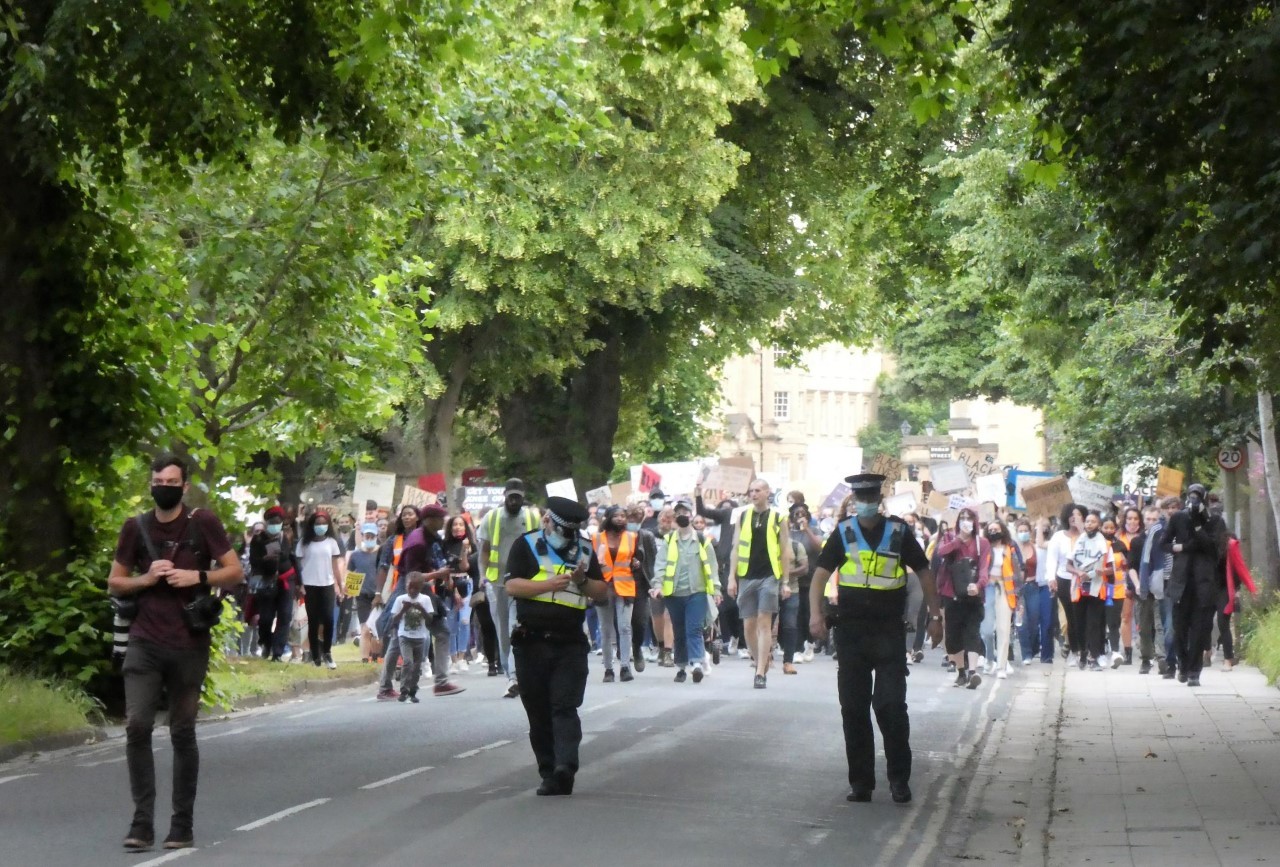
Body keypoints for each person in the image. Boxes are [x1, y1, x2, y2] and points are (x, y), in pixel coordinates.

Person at [108, 454, 244, 851]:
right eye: (157, 480)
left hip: (188, 643)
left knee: (182, 731)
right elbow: (115, 582)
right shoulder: (136, 527)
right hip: (144, 641)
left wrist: (197, 576)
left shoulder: (203, 523)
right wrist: (146, 578)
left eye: (171, 481)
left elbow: (234, 572)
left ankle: (181, 824)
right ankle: (141, 823)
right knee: (136, 727)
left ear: (184, 487)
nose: (163, 486)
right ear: (150, 483)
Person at [808, 473, 942, 805]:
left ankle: (899, 779)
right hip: (851, 632)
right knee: (853, 709)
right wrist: (815, 614)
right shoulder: (844, 533)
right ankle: (862, 783)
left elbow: (924, 573)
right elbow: (820, 576)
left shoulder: (899, 532)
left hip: (888, 632)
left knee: (891, 706)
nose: (865, 503)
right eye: (860, 498)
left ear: (879, 500)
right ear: (854, 501)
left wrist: (936, 617)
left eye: (870, 497)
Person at [504, 497, 609, 795]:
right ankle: (548, 772)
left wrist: (582, 581)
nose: (568, 537)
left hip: (570, 643)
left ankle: (565, 768)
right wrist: (549, 585)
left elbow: (601, 592)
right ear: (548, 521)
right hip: (531, 641)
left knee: (564, 706)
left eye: (573, 532)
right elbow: (512, 585)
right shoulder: (526, 545)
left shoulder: (585, 548)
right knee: (538, 712)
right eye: (563, 530)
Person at [477, 479, 541, 698]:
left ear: (523, 497)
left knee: (516, 625)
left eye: (518, 497)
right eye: (510, 496)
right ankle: (510, 675)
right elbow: (484, 550)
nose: (514, 501)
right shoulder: (492, 517)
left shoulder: (533, 516)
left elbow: (540, 546)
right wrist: (483, 576)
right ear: (504, 495)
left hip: (523, 580)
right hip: (496, 583)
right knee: (502, 630)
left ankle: (516, 676)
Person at [727, 479, 793, 689]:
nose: (753, 494)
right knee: (748, 626)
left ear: (767, 492)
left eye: (757, 490)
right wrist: (731, 577)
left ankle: (759, 672)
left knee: (764, 623)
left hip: (769, 576)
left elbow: (785, 550)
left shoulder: (778, 517)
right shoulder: (743, 516)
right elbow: (736, 547)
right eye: (751, 491)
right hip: (747, 575)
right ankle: (760, 662)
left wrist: (785, 580)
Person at [398, 504, 466, 696]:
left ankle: (439, 681)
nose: (442, 522)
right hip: (415, 592)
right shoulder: (418, 542)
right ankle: (440, 681)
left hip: (425, 591)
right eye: (439, 518)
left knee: (427, 633)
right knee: (405, 636)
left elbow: (438, 562)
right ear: (429, 519)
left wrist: (445, 577)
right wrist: (438, 573)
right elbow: (411, 576)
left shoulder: (432, 537)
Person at [1163, 483, 1226, 686]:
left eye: (1198, 496)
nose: (1194, 500)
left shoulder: (1214, 521)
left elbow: (1212, 549)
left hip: (1203, 583)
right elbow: (1162, 543)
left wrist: (1199, 526)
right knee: (1178, 628)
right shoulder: (1178, 518)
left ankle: (1194, 671)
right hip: (1181, 581)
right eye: (1191, 496)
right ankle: (1183, 663)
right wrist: (1178, 547)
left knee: (1200, 630)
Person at [653, 505, 720, 683]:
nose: (682, 517)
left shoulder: (702, 540)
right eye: (679, 514)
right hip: (673, 594)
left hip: (696, 592)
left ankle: (696, 664)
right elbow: (660, 565)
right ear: (675, 519)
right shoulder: (668, 541)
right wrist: (657, 585)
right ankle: (681, 666)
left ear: (691, 517)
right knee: (679, 631)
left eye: (686, 514)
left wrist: (717, 589)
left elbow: (712, 567)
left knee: (694, 628)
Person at [936, 507, 989, 688]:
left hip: (973, 595)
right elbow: (941, 552)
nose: (965, 521)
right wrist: (958, 540)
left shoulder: (982, 543)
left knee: (972, 632)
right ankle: (960, 671)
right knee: (953, 635)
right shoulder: (950, 538)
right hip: (952, 594)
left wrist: (979, 585)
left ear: (975, 521)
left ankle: (973, 672)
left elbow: (984, 568)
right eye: (962, 518)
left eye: (969, 518)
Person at [373, 505, 420, 700]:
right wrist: (378, 593)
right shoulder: (393, 541)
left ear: (418, 517)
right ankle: (387, 686)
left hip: (422, 591)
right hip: (401, 589)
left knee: (409, 638)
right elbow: (384, 568)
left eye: (411, 514)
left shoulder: (424, 537)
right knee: (394, 636)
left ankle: (397, 684)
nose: (407, 517)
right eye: (404, 514)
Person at [593, 506, 640, 682]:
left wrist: (636, 563)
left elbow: (636, 557)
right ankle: (608, 669)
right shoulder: (596, 538)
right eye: (616, 516)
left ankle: (625, 666)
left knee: (625, 627)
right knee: (605, 629)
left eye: (623, 516)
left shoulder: (631, 537)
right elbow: (591, 561)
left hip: (625, 587)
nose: (620, 519)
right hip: (603, 587)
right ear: (608, 518)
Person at [248, 506, 298, 662]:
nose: (275, 525)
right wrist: (266, 558)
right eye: (272, 522)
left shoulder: (287, 538)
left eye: (278, 522)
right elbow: (253, 561)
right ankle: (266, 644)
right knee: (266, 618)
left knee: (285, 615)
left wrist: (300, 583)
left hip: (286, 581)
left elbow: (293, 559)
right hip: (266, 582)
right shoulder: (258, 540)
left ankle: (277, 651)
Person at [296, 510, 344, 669]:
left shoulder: (332, 542)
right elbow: (298, 566)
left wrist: (340, 585)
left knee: (329, 619)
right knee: (313, 620)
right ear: (312, 525)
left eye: (324, 523)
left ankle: (327, 652)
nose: (321, 526)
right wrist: (300, 584)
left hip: (327, 584)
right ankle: (315, 655)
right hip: (309, 585)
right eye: (318, 524)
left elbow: (335, 566)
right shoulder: (304, 542)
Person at [1066, 511, 1114, 671]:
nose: (1089, 524)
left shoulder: (1105, 545)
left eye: (1093, 522)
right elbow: (1068, 565)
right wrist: (1078, 572)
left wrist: (1100, 572)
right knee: (1079, 623)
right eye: (1087, 522)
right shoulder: (1078, 542)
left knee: (1094, 623)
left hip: (1096, 588)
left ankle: (1095, 656)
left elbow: (1111, 569)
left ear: (1098, 525)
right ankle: (1083, 653)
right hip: (1079, 587)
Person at [1042, 504, 1086, 663]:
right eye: (1071, 515)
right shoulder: (1059, 536)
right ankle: (1075, 652)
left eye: (1078, 515)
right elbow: (1052, 559)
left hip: (1084, 581)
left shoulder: (1088, 536)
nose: (1075, 518)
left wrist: (1083, 531)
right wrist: (1051, 578)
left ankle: (1086, 650)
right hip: (1064, 580)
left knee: (1083, 617)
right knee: (1071, 617)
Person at [389, 572, 434, 702]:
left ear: (421, 588)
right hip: (405, 636)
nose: (412, 591)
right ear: (406, 586)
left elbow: (430, 620)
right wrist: (403, 609)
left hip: (420, 638)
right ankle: (403, 690)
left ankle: (413, 691)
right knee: (407, 662)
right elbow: (394, 620)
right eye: (410, 587)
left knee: (416, 666)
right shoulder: (400, 599)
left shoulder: (425, 600)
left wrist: (422, 609)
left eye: (416, 588)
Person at [443, 514, 479, 673]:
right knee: (451, 623)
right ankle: (453, 659)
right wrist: (453, 589)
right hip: (448, 584)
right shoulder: (444, 545)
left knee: (464, 621)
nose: (457, 527)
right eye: (454, 525)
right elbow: (444, 567)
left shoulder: (471, 545)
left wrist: (465, 550)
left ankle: (462, 657)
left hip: (467, 584)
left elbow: (467, 568)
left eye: (461, 524)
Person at [1015, 517, 1052, 665]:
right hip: (1018, 590)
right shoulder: (1013, 548)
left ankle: (1033, 646)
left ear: (1030, 533)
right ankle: (1026, 654)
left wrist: (1040, 522)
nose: (1023, 533)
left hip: (1033, 587)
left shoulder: (1036, 548)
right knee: (1021, 623)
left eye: (1025, 531)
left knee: (1033, 622)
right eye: (1020, 531)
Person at [347, 523, 382, 663]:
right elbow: (350, 572)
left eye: (372, 536)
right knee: (364, 628)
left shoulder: (381, 553)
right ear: (362, 536)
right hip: (362, 595)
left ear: (376, 536)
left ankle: (375, 656)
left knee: (376, 629)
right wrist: (348, 589)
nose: (369, 538)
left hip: (378, 595)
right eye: (367, 535)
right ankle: (364, 659)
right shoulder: (356, 555)